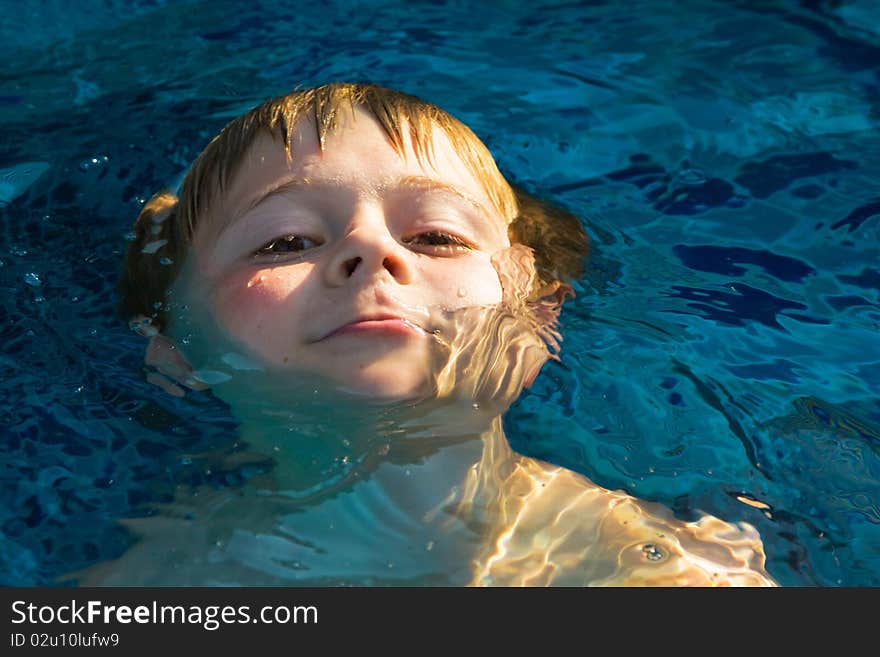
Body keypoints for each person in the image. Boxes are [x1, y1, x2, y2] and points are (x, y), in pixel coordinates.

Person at [79, 82, 776, 586]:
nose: (372, 250)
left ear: (537, 321)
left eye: (436, 237)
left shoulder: (655, 568)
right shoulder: (160, 585)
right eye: (286, 240)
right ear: (175, 347)